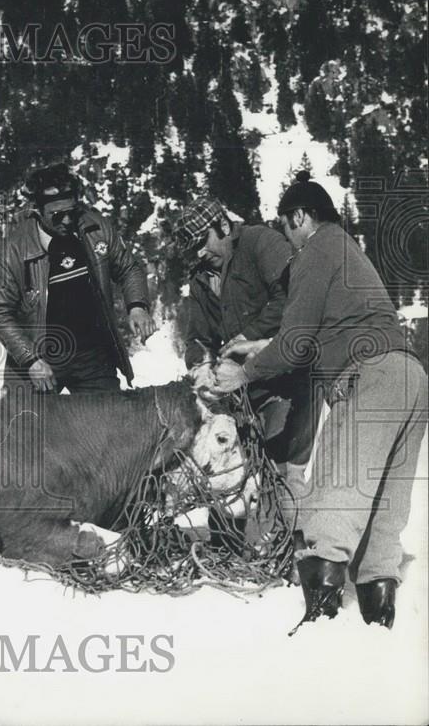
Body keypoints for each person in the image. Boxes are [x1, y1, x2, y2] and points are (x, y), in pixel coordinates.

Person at [211, 171, 427, 630]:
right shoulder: (345, 250)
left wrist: (242, 374)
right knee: (385, 505)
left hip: (367, 375)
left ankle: (319, 623)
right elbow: (310, 336)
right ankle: (377, 619)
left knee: (334, 491)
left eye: (285, 226)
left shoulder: (315, 250)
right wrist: (257, 345)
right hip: (409, 374)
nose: (286, 240)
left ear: (301, 217)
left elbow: (294, 344)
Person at [174, 196, 316, 483]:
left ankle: (288, 523)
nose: (200, 254)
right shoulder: (200, 279)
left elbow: (293, 297)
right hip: (239, 393)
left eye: (203, 241)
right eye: (193, 249)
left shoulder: (260, 243)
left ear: (224, 226)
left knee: (281, 469)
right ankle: (228, 525)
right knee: (226, 474)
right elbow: (198, 338)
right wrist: (201, 363)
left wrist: (248, 335)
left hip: (284, 381)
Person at [0, 163, 154, 394]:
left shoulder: (96, 229)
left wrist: (137, 306)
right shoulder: (13, 250)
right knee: (26, 427)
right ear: (37, 211)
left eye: (72, 213)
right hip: (38, 358)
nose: (67, 221)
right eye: (57, 216)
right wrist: (30, 360)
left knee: (109, 424)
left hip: (92, 357)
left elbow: (128, 268)